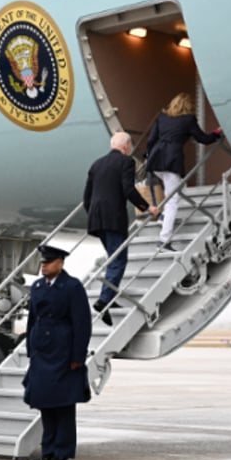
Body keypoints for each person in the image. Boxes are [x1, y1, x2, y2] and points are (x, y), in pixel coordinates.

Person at [22, 245, 91, 460]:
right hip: (42, 352)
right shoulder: (38, 286)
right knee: (45, 403)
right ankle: (48, 450)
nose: (43, 265)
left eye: (48, 262)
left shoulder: (72, 287)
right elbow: (33, 319)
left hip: (63, 351)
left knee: (63, 404)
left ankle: (62, 452)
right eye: (42, 262)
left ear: (60, 263)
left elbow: (82, 323)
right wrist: (30, 348)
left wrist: (77, 356)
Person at [83, 132, 159, 326]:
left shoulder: (96, 164)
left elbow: (87, 197)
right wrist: (147, 207)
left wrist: (93, 213)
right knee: (118, 260)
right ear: (126, 147)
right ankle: (103, 301)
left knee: (113, 258)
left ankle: (109, 297)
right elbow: (128, 190)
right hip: (113, 219)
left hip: (96, 219)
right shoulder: (126, 162)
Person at [145, 92, 222, 250]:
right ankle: (164, 239)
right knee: (172, 201)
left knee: (178, 190)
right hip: (171, 161)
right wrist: (216, 133)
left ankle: (163, 218)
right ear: (189, 107)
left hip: (156, 160)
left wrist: (148, 156)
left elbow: (151, 139)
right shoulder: (188, 120)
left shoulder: (162, 117)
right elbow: (203, 139)